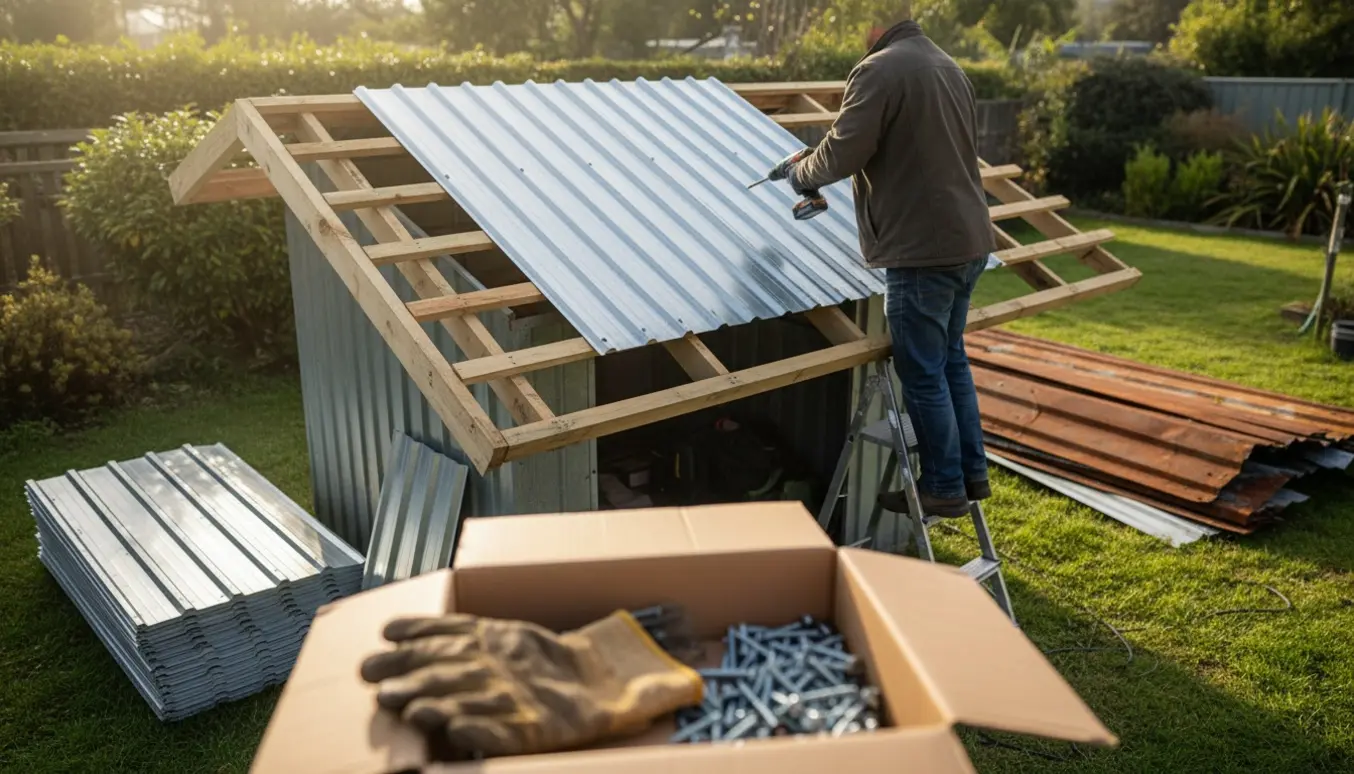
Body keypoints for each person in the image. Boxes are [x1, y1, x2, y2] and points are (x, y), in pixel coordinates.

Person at [779, 13, 995, 518]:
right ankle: (970, 473)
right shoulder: (946, 65)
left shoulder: (878, 69)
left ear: (874, 22)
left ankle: (943, 486)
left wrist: (799, 174)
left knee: (922, 371)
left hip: (923, 250)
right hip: (968, 240)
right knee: (951, 360)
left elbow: (843, 152)